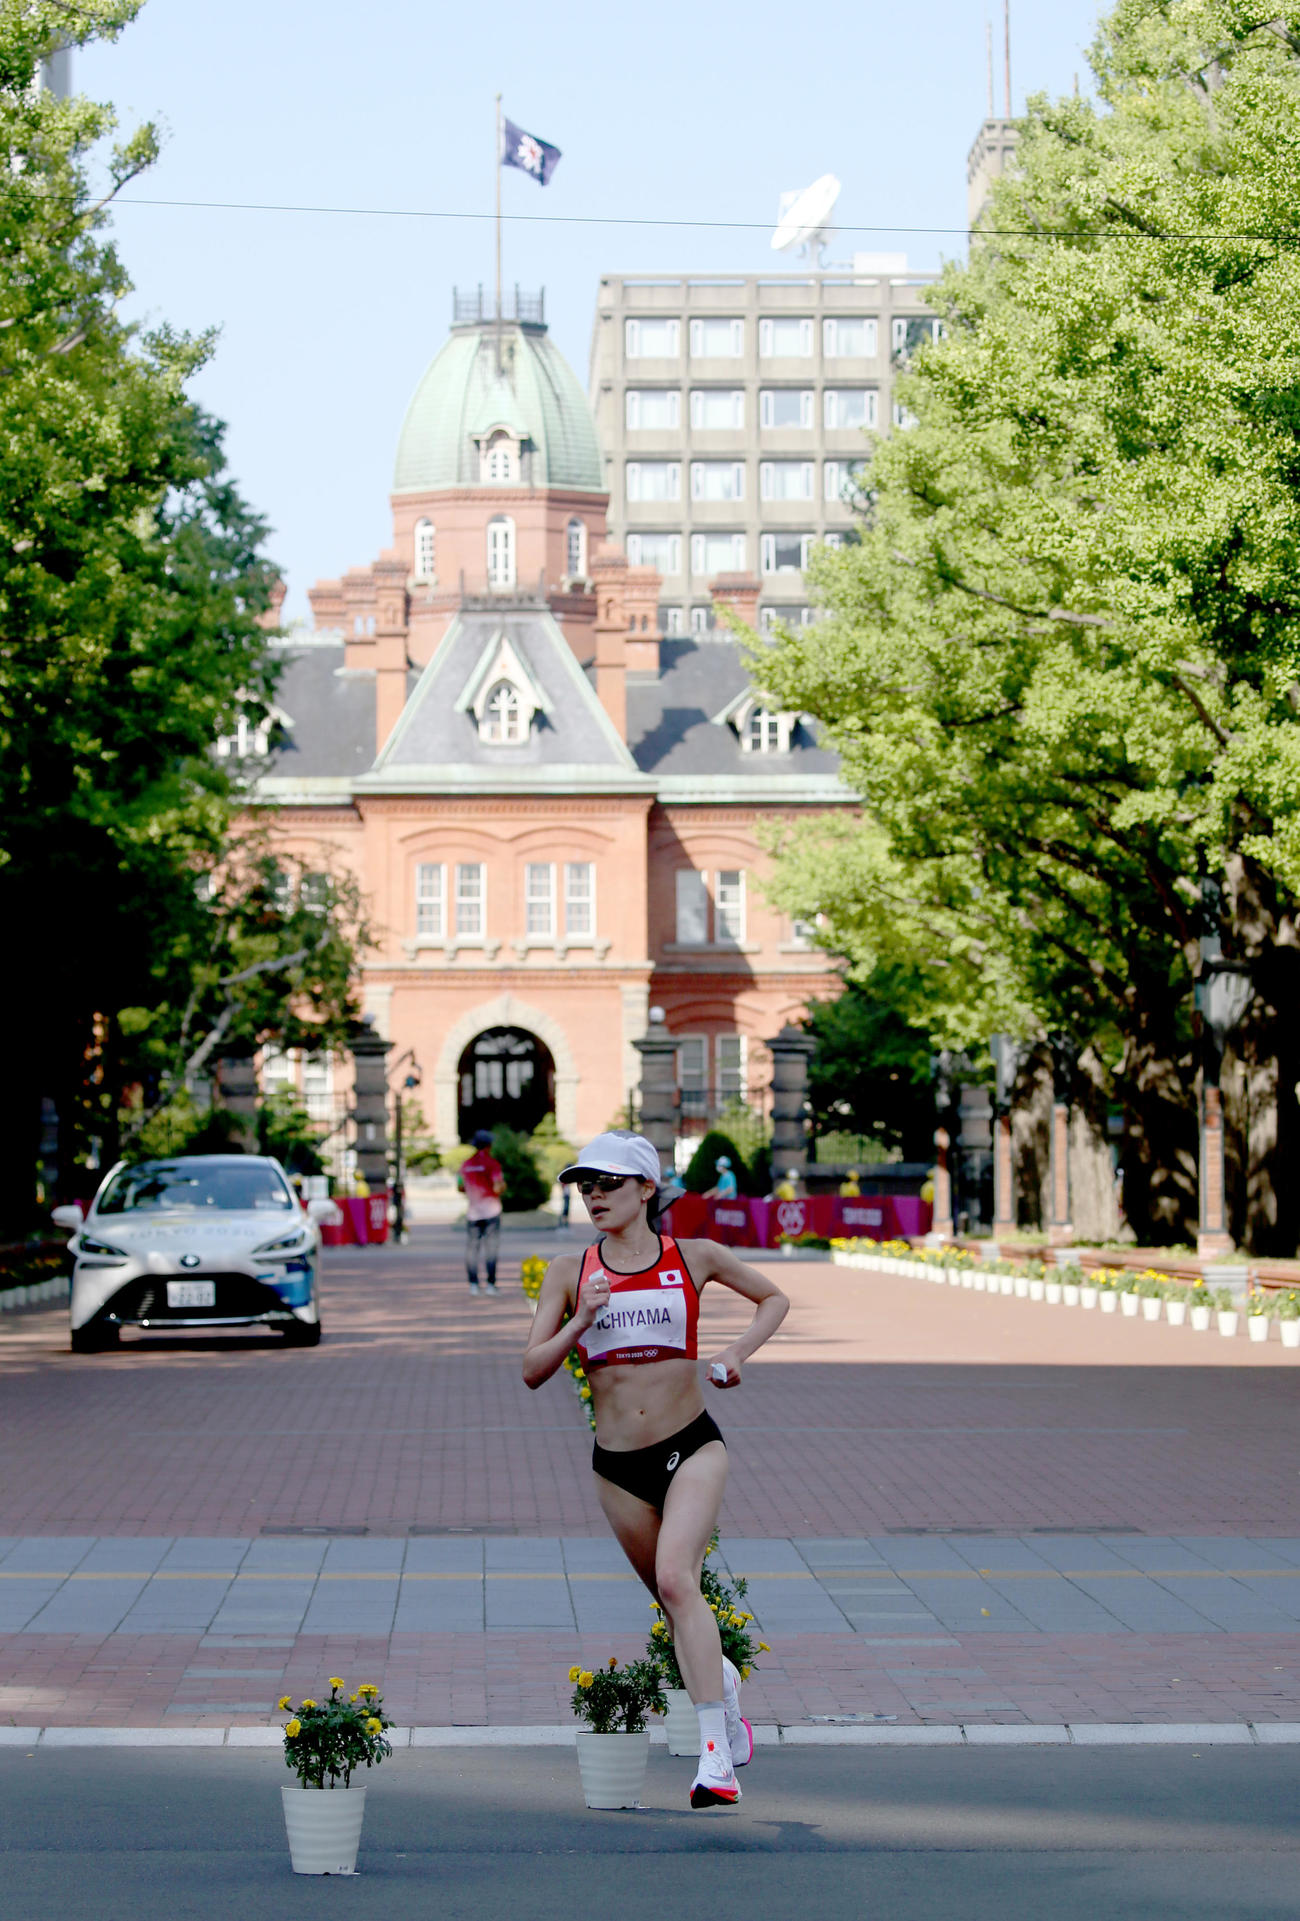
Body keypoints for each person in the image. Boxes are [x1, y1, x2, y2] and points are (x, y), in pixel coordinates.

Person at [522, 1131, 788, 1810]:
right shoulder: (568, 1269)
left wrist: (736, 1353)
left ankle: (714, 1760)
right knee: (676, 1601)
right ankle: (721, 1684)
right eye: (586, 1185)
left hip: (691, 1445)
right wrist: (580, 1316)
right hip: (617, 1466)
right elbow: (531, 1369)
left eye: (608, 1183)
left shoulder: (691, 1256)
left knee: (677, 1577)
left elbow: (774, 1299)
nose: (595, 1196)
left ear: (646, 1189)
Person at [459, 1128, 504, 1295]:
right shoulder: (493, 1164)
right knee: (491, 1248)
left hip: (473, 1212)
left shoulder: (466, 1165)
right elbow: (498, 1187)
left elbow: (460, 1186)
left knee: (472, 1248)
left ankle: (473, 1285)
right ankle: (491, 1285)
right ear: (489, 1145)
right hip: (491, 1210)